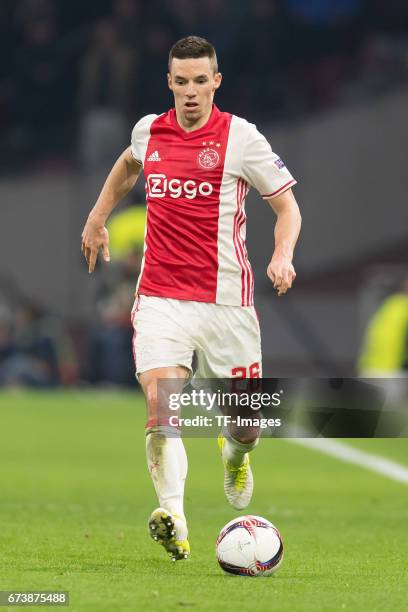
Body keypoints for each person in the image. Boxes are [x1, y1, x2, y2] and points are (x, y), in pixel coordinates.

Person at [81, 36, 301, 562]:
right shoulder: (150, 130)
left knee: (246, 426)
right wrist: (97, 217)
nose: (191, 92)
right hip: (161, 297)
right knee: (163, 409)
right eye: (181, 82)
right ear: (170, 84)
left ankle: (235, 456)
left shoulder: (241, 138)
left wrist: (283, 255)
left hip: (228, 304)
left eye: (201, 81)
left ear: (216, 82)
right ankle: (174, 516)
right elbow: (129, 165)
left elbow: (287, 208)